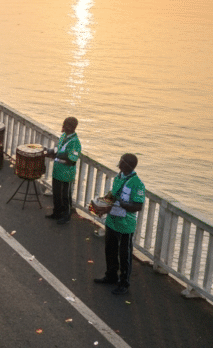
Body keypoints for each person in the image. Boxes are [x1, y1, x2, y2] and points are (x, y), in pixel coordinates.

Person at [91, 153, 145, 295]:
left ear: (128, 164)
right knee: (110, 250)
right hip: (112, 220)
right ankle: (111, 275)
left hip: (125, 225)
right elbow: (112, 195)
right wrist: (101, 205)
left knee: (124, 255)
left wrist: (123, 204)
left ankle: (124, 283)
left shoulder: (137, 184)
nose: (119, 163)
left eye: (122, 161)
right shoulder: (118, 177)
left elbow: (138, 206)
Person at [46, 116, 81, 224]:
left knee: (65, 196)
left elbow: (72, 159)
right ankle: (56, 213)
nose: (63, 127)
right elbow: (58, 149)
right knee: (56, 194)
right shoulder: (63, 136)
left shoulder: (75, 142)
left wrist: (57, 154)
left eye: (65, 125)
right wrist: (53, 153)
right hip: (57, 171)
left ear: (71, 127)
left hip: (66, 174)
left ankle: (66, 216)